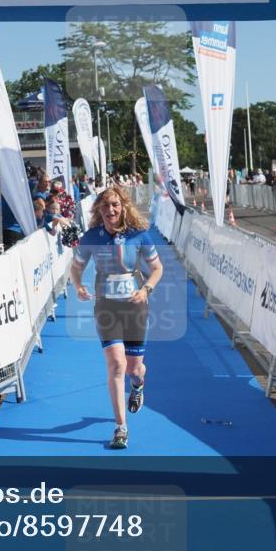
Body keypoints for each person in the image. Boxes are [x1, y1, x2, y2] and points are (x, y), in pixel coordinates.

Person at [70, 186, 163, 450]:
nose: (111, 210)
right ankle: (121, 427)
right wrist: (78, 286)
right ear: (98, 210)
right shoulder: (91, 237)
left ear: (123, 207)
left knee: (134, 369)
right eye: (105, 206)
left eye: (115, 205)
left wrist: (146, 289)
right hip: (106, 308)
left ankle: (138, 385)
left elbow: (157, 268)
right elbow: (76, 268)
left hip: (135, 308)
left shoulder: (139, 236)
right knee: (116, 365)